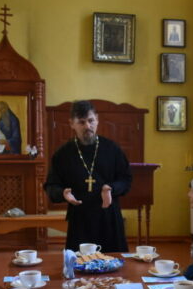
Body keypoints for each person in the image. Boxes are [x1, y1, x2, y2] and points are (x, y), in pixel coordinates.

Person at [44, 100, 132, 252]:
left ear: (97, 120)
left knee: (115, 269)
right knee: (79, 269)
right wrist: (63, 194)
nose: (87, 126)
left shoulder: (112, 149)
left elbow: (126, 179)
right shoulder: (63, 154)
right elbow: (51, 185)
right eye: (81, 122)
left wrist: (111, 189)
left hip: (109, 218)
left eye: (91, 121)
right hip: (79, 220)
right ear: (72, 123)